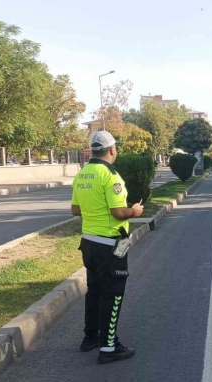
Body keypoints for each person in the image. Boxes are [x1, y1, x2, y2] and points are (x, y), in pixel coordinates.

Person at [71, 131, 144, 364]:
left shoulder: (83, 174)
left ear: (92, 150)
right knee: (112, 296)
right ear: (112, 150)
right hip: (110, 246)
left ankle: (90, 338)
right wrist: (134, 211)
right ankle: (109, 347)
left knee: (94, 291)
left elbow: (75, 210)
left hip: (89, 244)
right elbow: (117, 212)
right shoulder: (110, 176)